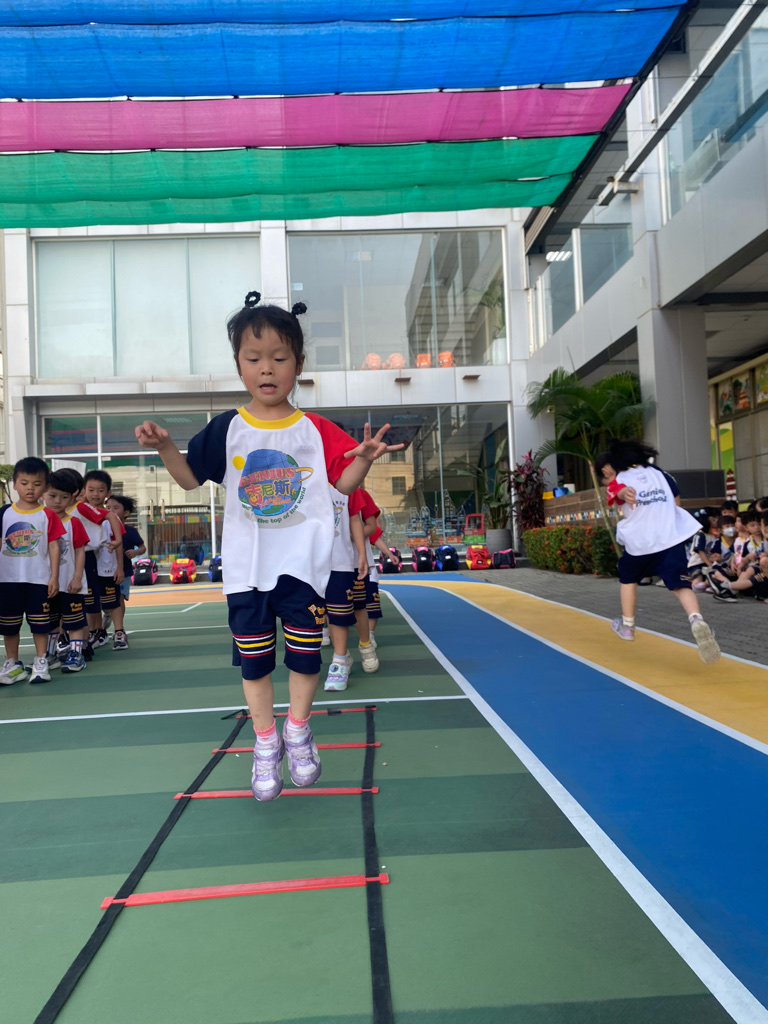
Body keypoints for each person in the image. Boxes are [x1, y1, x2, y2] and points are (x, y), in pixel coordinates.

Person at [135, 291, 402, 802]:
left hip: (304, 569)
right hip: (246, 571)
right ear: (238, 365)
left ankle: (297, 731)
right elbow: (189, 479)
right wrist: (166, 446)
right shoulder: (227, 429)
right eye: (254, 358)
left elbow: (342, 487)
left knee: (304, 657)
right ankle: (264, 741)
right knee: (255, 663)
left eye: (279, 358)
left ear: (298, 364)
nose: (267, 368)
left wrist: (364, 459)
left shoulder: (316, 430)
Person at [596, 440, 720, 664]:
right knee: (681, 585)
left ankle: (628, 626)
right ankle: (696, 620)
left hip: (639, 543)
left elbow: (617, 493)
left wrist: (624, 492)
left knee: (628, 579)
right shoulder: (659, 473)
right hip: (669, 540)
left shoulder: (620, 479)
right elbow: (676, 500)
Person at [0, 457, 64, 685]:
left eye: (37, 484)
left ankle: (41, 660)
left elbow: (54, 546)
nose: (30, 488)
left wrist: (54, 576)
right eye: (24, 483)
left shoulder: (48, 515)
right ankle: (12, 663)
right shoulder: (4, 513)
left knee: (40, 624)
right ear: (15, 484)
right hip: (7, 580)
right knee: (9, 626)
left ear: (45, 487)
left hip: (38, 580)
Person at [43, 470, 91, 673]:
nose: (57, 501)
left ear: (72, 498)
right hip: (45, 583)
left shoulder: (73, 522)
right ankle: (49, 654)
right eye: (52, 496)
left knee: (74, 621)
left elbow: (80, 551)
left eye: (64, 497)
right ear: (43, 494)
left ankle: (76, 654)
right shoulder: (39, 521)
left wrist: (77, 577)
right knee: (50, 621)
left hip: (70, 582)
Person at [323, 485, 369, 692]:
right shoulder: (300, 475)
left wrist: (362, 554)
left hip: (339, 561)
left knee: (339, 614)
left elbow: (354, 519)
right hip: (306, 563)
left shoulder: (347, 482)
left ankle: (339, 662)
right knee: (314, 614)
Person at [81, 470, 127, 650]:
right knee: (92, 603)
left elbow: (119, 544)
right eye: (91, 490)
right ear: (84, 491)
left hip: (108, 567)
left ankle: (119, 632)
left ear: (108, 493)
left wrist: (120, 568)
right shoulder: (80, 515)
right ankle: (97, 632)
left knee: (112, 602)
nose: (95, 494)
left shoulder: (111, 518)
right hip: (87, 567)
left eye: (100, 490)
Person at [105, 494, 146, 634]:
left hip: (124, 571)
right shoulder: (101, 529)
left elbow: (142, 547)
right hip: (104, 570)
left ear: (126, 513)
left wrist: (136, 552)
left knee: (120, 598)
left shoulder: (130, 531)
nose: (111, 511)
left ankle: (119, 628)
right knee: (104, 599)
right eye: (108, 508)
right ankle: (107, 614)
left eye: (115, 508)